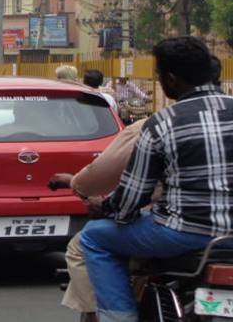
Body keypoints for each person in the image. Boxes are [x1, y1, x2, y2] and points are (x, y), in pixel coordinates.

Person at [79, 37, 233, 322]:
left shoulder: (162, 123)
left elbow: (131, 199)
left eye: (160, 75)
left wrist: (107, 208)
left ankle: (119, 317)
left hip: (179, 234)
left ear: (171, 79)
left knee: (94, 238)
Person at [49, 118, 148, 321]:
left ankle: (103, 315)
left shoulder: (152, 126)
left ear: (169, 84)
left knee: (87, 240)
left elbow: (129, 190)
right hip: (228, 233)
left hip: (175, 228)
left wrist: (76, 183)